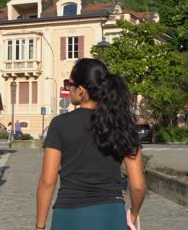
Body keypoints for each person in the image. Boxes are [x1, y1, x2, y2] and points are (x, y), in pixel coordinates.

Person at [36, 58, 146, 230]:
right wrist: (133, 215)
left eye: (69, 84)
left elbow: (47, 181)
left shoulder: (59, 124)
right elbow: (138, 186)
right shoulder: (123, 125)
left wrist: (40, 226)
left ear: (80, 90)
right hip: (111, 215)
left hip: (69, 215)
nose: (67, 88)